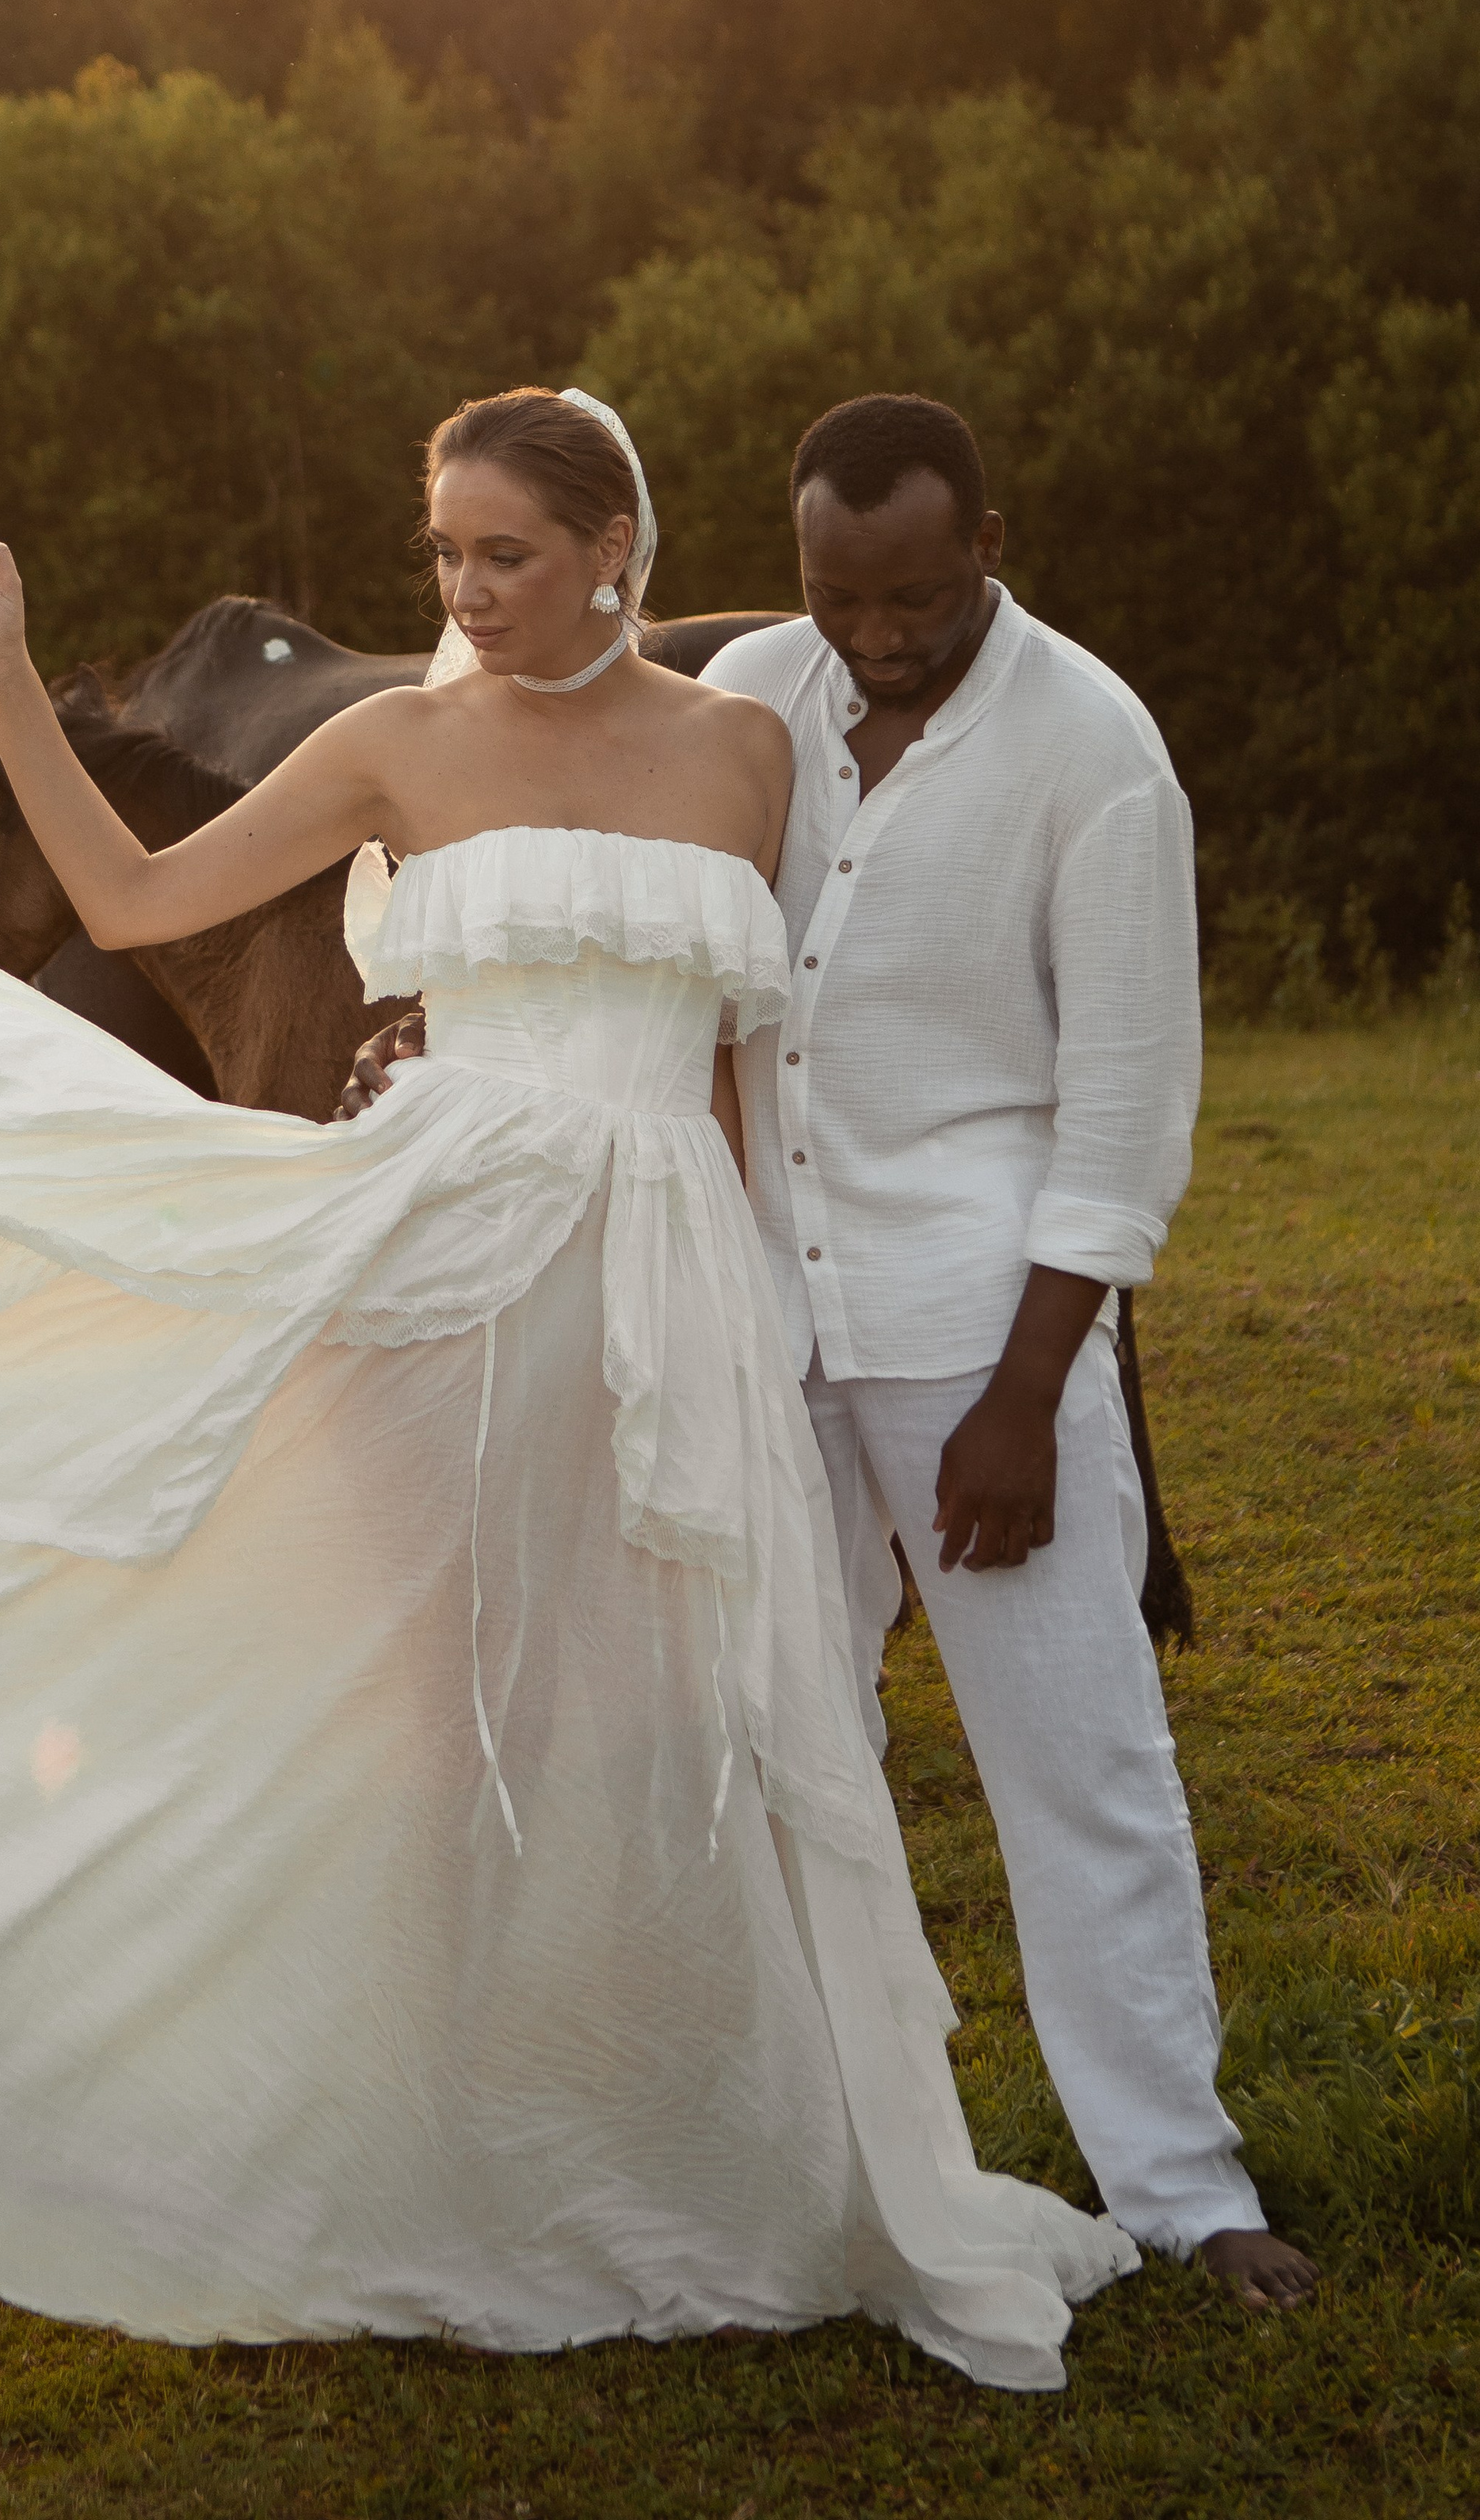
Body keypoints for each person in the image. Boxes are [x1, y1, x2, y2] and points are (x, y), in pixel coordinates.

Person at [0, 388, 1138, 2388]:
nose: (466, 592)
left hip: (677, 1269)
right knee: (435, 1712)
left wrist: (775, 1309)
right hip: (449, 1258)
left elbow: (733, 1069)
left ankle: (706, 2139)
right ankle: (420, 2151)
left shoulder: (747, 750)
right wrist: (2, 674)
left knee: (681, 1722)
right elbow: (135, 903)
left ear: (616, 549)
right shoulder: (396, 744)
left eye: (503, 553)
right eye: (443, 557)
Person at [353, 394, 1318, 2314]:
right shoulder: (757, 695)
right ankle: (790, 2147)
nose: (869, 635)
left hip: (976, 1344)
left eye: (909, 593)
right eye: (831, 594)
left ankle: (1184, 2186)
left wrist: (1027, 1400)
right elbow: (608, 877)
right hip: (744, 1313)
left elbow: (1123, 1118)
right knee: (767, 1744)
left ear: (986, 540)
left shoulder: (1092, 752)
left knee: (1077, 1762)